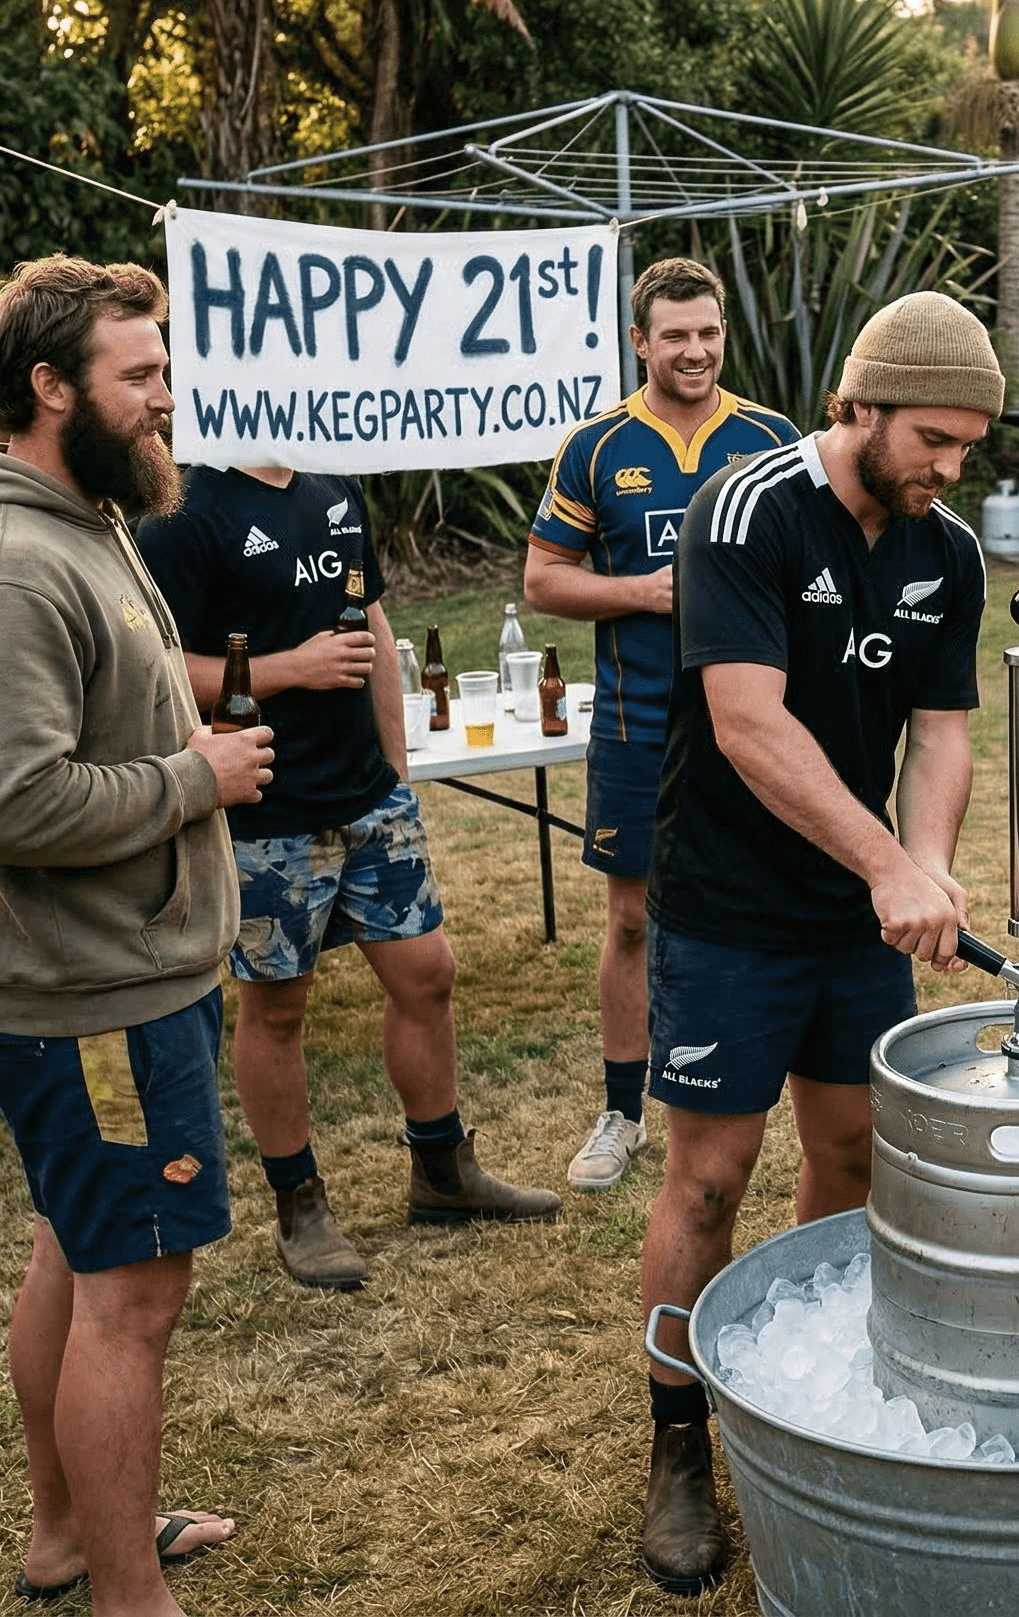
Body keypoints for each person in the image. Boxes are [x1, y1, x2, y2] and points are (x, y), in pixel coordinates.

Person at [637, 291, 999, 1594]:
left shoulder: (944, 552)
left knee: (852, 1151)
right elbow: (748, 723)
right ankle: (680, 1438)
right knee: (712, 1178)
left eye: (970, 448)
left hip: (859, 925)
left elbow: (944, 729)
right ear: (863, 405)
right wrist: (887, 863)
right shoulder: (743, 511)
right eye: (936, 441)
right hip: (731, 909)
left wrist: (935, 867)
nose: (952, 470)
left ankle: (807, 1377)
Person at [0, 257, 270, 1611]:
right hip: (97, 999)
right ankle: (127, 1598)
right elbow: (16, 797)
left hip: (123, 974)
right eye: (140, 377)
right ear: (53, 388)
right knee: (132, 1300)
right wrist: (195, 779)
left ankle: (66, 1536)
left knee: (76, 1245)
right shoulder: (18, 562)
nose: (167, 400)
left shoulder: (80, 518)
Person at [139, 464, 560, 1293]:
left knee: (427, 974)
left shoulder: (336, 486)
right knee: (279, 1006)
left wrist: (395, 773)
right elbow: (155, 664)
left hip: (370, 801)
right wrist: (290, 668)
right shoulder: (184, 510)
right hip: (264, 807)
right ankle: (300, 1205)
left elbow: (369, 623)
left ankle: (442, 1170)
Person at [526, 257, 797, 1190]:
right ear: (639, 342)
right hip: (641, 728)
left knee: (765, 902)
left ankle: (750, 1090)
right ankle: (621, 1110)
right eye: (675, 335)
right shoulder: (597, 447)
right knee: (635, 920)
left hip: (757, 726)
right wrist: (639, 592)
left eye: (709, 333)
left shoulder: (769, 438)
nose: (695, 350)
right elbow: (542, 580)